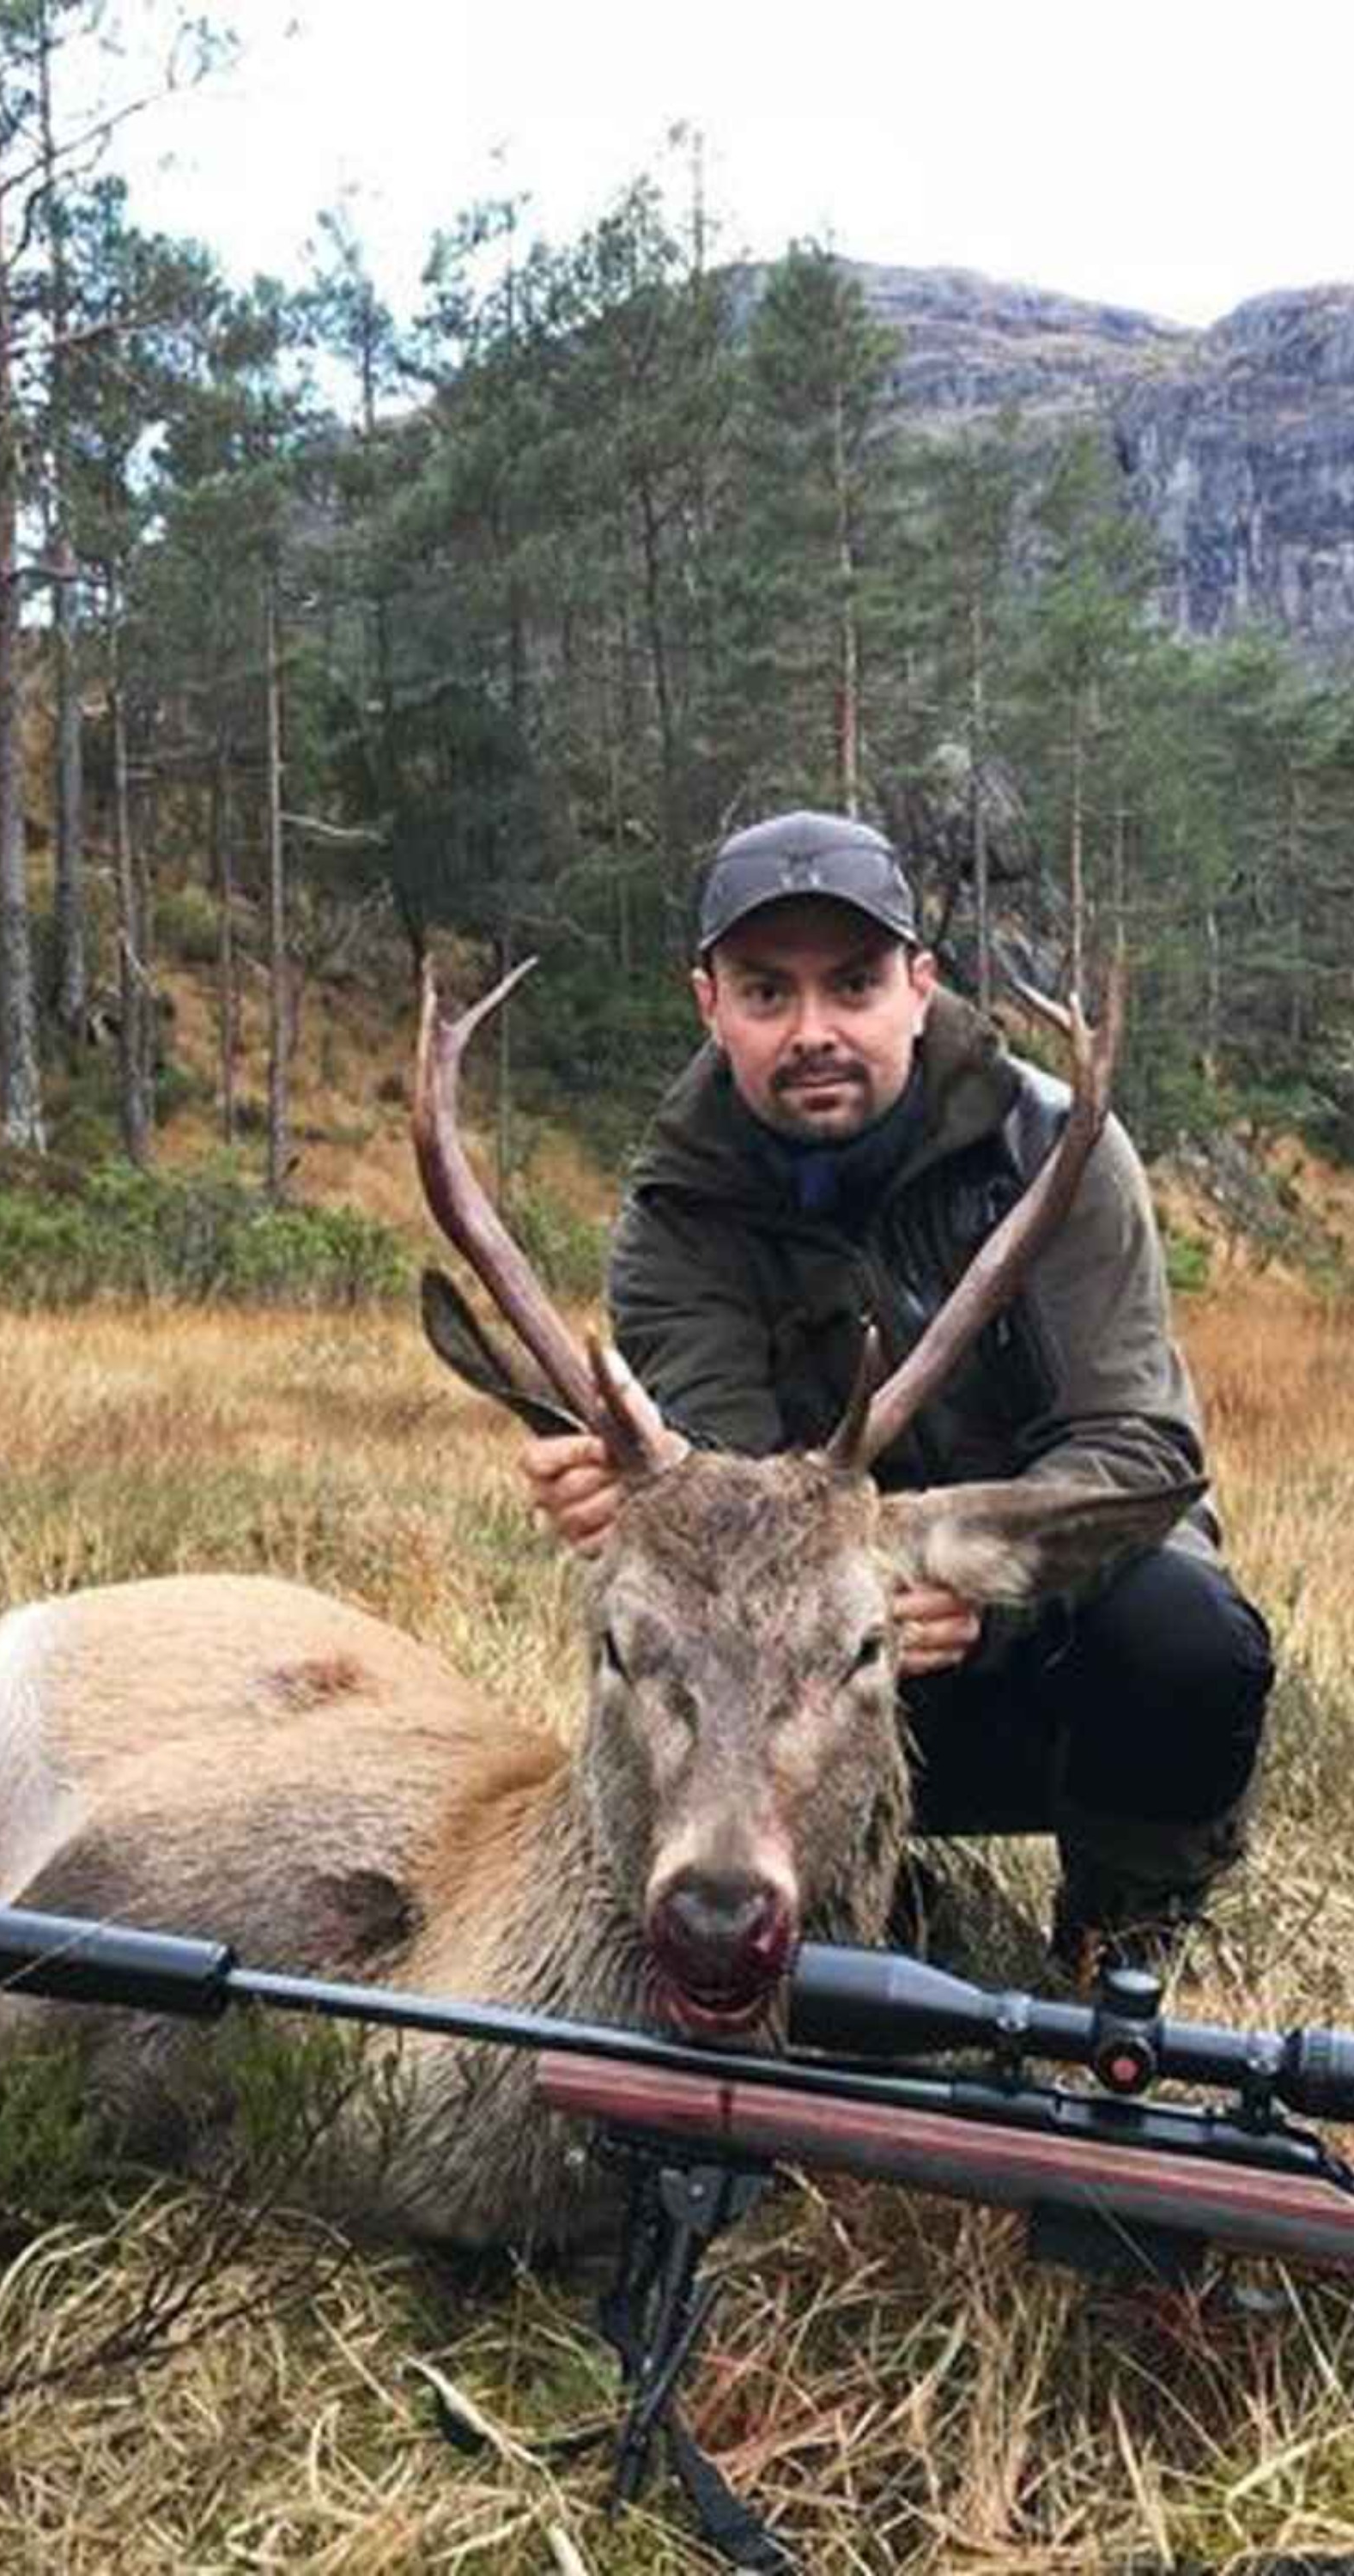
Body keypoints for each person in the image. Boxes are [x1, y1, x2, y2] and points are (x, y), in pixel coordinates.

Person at [519, 810, 1273, 1977]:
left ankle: (1114, 1946)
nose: (814, 1030)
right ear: (708, 1003)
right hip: (813, 1666)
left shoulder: (1054, 1154)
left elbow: (1138, 1452)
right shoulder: (677, 1216)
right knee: (674, 1647)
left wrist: (974, 1590)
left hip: (1034, 1634)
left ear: (920, 986)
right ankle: (819, 1913)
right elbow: (734, 1509)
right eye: (768, 993)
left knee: (1186, 1638)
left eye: (855, 985)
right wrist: (644, 1502)